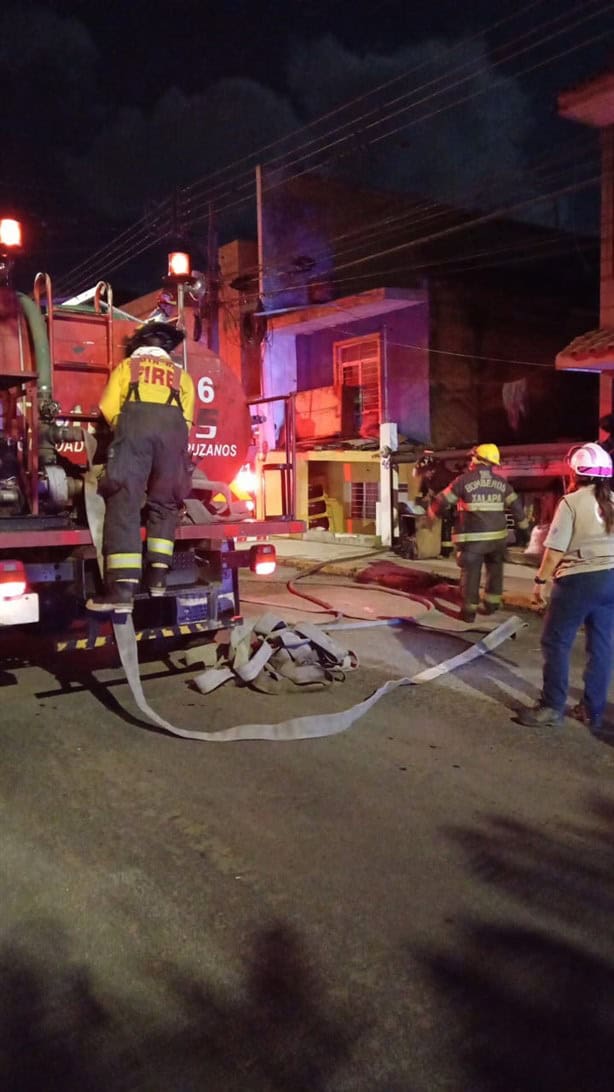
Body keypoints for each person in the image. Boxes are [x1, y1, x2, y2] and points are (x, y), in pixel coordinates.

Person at [86, 320, 195, 613]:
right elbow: (187, 420)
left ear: (140, 347)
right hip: (173, 437)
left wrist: (127, 431)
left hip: (134, 432)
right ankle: (158, 577)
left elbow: (108, 407)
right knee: (165, 503)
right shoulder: (181, 376)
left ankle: (122, 591)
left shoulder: (127, 369)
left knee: (125, 502)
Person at [518, 442, 614, 729]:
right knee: (602, 645)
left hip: (579, 580)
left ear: (576, 472)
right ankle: (592, 710)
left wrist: (540, 582)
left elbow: (556, 551)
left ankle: (551, 706)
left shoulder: (571, 502)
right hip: (612, 578)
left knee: (556, 641)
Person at [427, 442, 530, 622]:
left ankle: (468, 612)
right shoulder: (502, 483)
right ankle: (491, 605)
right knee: (495, 571)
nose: (470, 461)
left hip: (473, 540)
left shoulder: (464, 481)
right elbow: (518, 510)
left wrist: (431, 513)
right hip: (498, 539)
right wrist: (524, 534)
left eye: (472, 457)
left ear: (477, 459)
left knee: (471, 574)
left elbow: (443, 501)